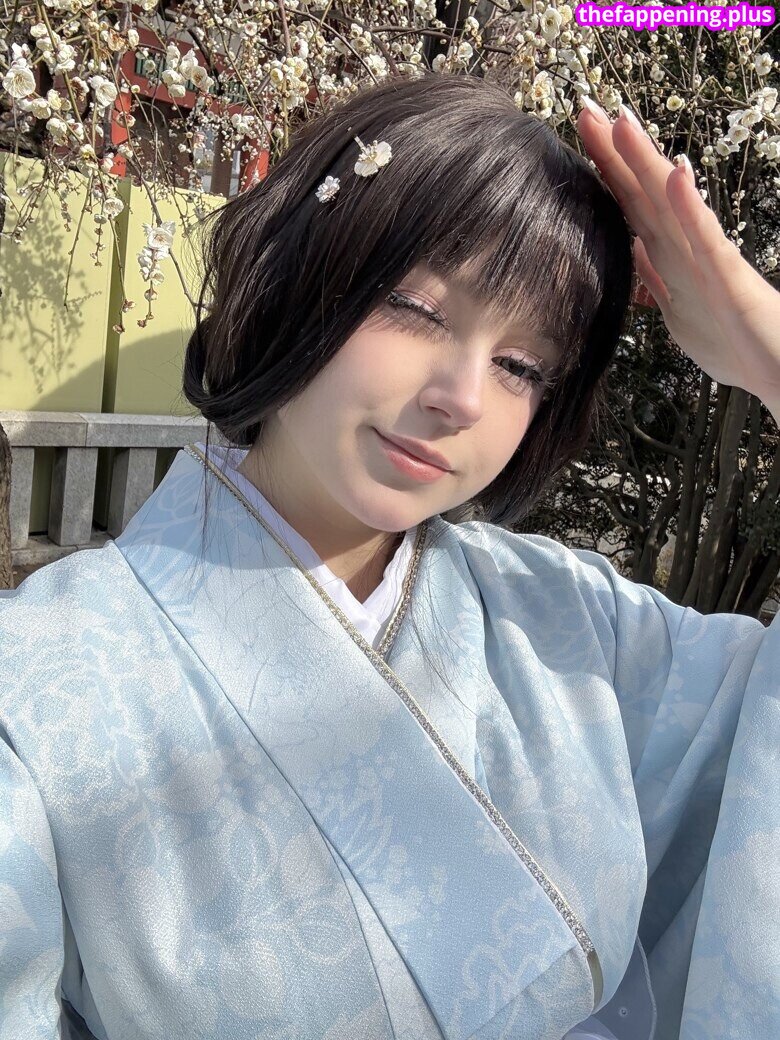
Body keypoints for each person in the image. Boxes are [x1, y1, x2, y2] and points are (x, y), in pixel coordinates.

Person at [1, 73, 778, 1040]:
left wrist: (768, 354)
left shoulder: (577, 625)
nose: (463, 397)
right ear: (296, 275)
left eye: (522, 366)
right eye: (416, 308)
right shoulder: (39, 682)